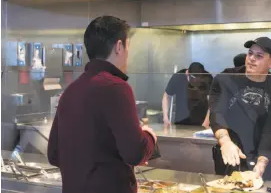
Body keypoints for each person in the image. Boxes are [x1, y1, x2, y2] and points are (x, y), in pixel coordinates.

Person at [47, 16, 157, 193]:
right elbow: (135, 153)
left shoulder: (70, 91)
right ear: (119, 47)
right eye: (128, 47)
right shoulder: (116, 88)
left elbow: (53, 154)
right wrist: (150, 138)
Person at [209, 37, 271, 181]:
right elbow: (217, 112)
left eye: (259, 56)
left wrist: (262, 162)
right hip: (231, 152)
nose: (251, 58)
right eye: (250, 53)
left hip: (262, 154)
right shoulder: (226, 78)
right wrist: (225, 142)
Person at [162, 62, 213, 127]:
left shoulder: (207, 78)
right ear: (187, 73)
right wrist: (165, 117)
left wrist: (206, 122)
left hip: (202, 121)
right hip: (181, 122)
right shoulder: (178, 77)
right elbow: (167, 96)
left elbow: (212, 102)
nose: (195, 82)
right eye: (193, 79)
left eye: (198, 79)